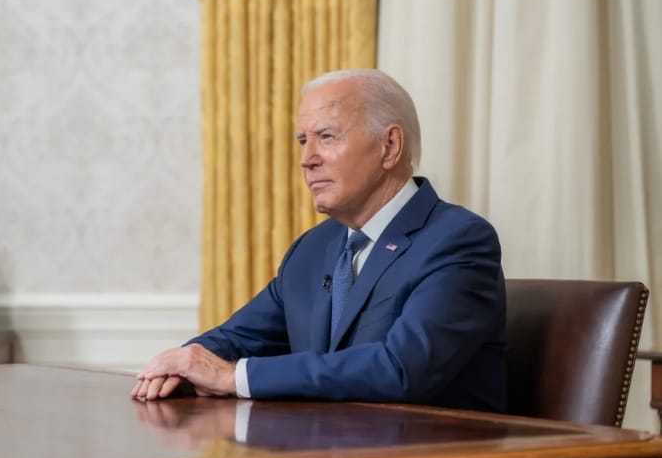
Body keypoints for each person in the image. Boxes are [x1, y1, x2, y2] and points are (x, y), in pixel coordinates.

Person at [132, 69, 506, 413]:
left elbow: (400, 369)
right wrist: (180, 367)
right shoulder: (312, 249)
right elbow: (238, 338)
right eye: (302, 141)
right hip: (323, 457)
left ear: (389, 146)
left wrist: (232, 377)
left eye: (326, 137)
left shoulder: (457, 241)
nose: (307, 160)